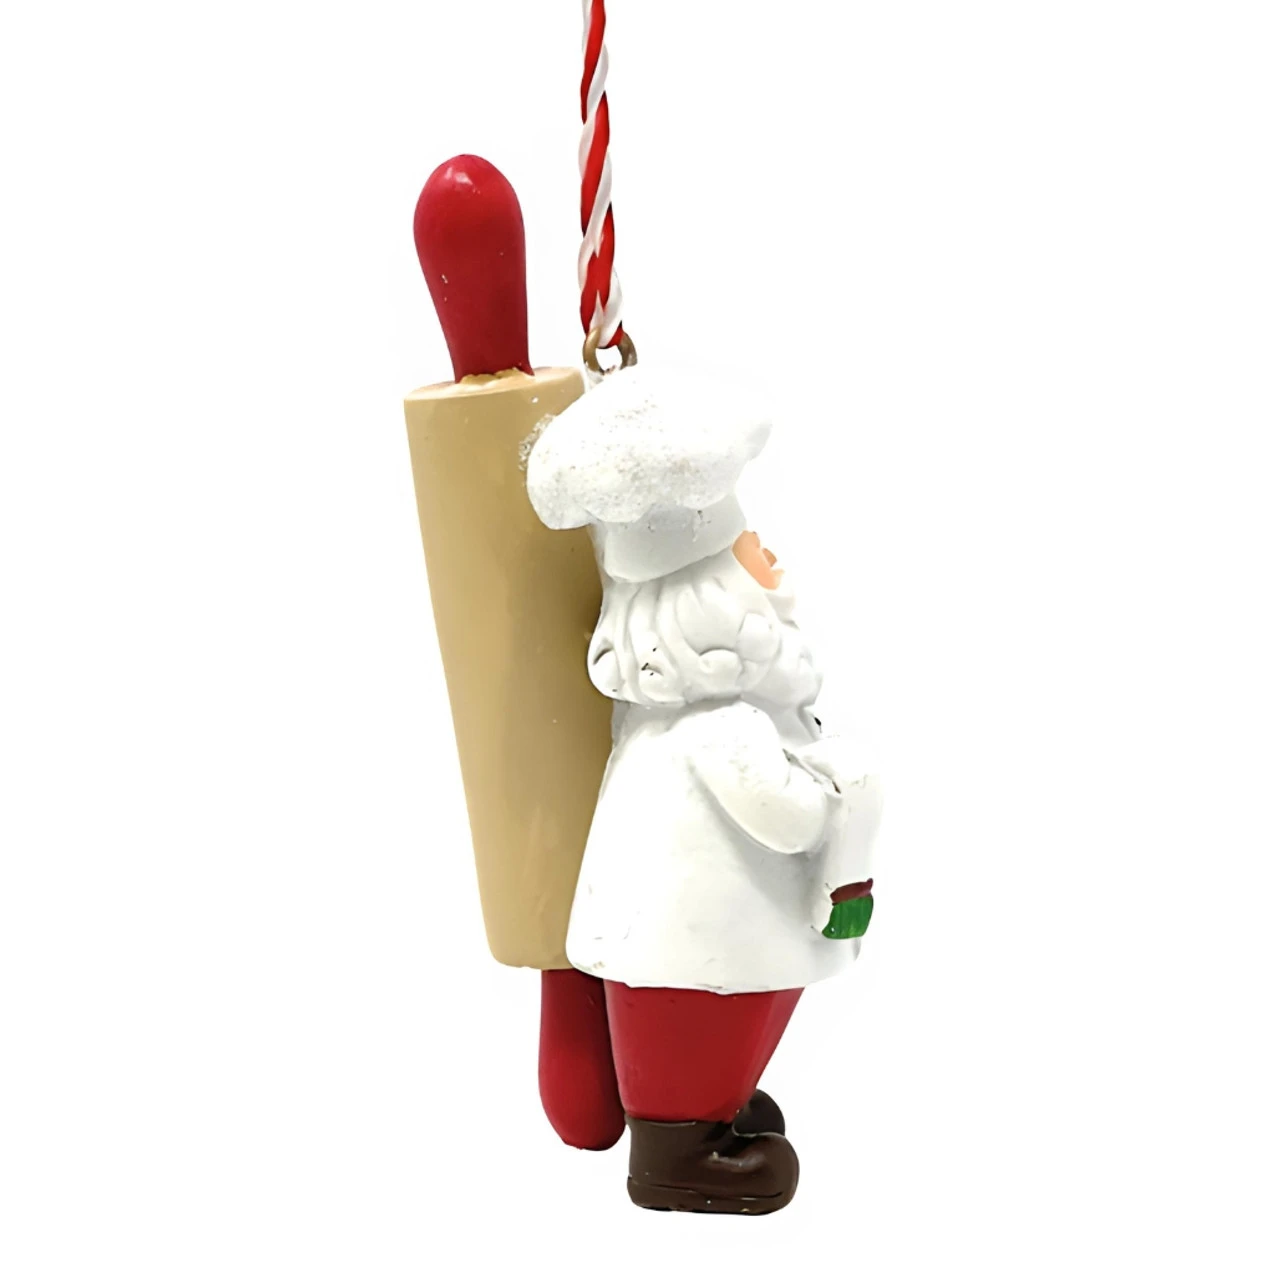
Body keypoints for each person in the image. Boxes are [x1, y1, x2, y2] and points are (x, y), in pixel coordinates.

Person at [526, 368, 881, 1214]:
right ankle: (678, 1154)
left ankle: (709, 1111)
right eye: (750, 550)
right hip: (693, 944)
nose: (771, 559)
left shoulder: (660, 725)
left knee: (710, 1035)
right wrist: (843, 800)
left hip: (670, 936)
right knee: (695, 1028)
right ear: (712, 600)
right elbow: (785, 821)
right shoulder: (722, 727)